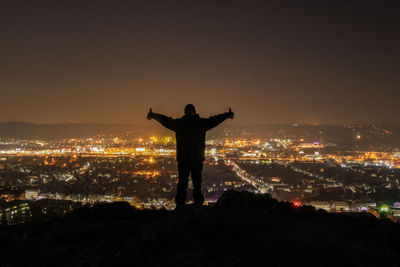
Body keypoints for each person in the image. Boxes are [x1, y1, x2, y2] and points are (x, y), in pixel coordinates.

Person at [147, 104, 234, 206]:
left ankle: (181, 205)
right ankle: (197, 205)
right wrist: (226, 115)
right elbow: (215, 120)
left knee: (184, 183)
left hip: (185, 159)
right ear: (194, 111)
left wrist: (153, 116)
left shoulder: (180, 124)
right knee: (195, 183)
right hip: (195, 159)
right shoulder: (200, 123)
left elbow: (166, 121)